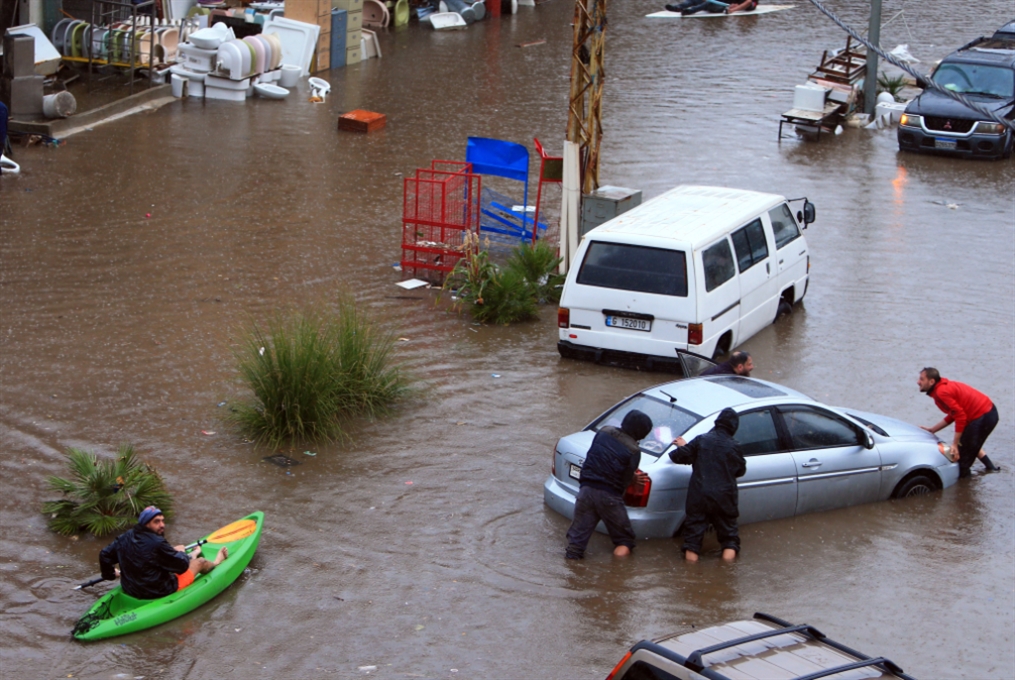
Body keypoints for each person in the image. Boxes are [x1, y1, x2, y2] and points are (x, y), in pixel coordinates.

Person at [565, 410, 653, 559]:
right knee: (625, 541)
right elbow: (624, 480)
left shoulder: (603, 432)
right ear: (642, 433)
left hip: (585, 491)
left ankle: (571, 577)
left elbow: (601, 459)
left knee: (575, 546)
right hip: (609, 496)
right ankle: (616, 578)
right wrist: (633, 478)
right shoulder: (634, 451)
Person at [99, 506, 228, 599]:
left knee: (172, 558)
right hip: (159, 591)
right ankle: (217, 561)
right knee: (200, 562)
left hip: (130, 589)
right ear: (145, 524)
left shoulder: (124, 538)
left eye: (162, 520)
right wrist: (181, 552)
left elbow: (104, 555)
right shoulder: (157, 543)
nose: (162, 525)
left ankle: (193, 555)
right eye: (156, 521)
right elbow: (182, 567)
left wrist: (111, 574)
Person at [669, 408, 746, 562]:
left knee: (692, 541)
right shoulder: (734, 446)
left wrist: (683, 447)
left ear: (717, 423)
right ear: (734, 427)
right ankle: (725, 574)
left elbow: (679, 457)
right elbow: (740, 470)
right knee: (729, 539)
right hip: (724, 498)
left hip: (699, 496)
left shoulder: (702, 440)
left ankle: (691, 577)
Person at [918, 368, 1000, 478]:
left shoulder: (941, 392)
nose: (918, 382)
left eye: (922, 379)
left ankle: (966, 488)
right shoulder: (940, 389)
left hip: (984, 415)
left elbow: (960, 417)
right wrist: (933, 429)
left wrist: (955, 444)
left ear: (932, 381)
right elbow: (954, 414)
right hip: (987, 412)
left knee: (960, 461)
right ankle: (992, 469)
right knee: (968, 443)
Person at [665, 0, 758, 15]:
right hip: (718, 2)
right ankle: (677, 7)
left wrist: (733, 10)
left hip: (722, 7)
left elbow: (748, 2)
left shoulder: (752, 2)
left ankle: (690, 11)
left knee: (708, 3)